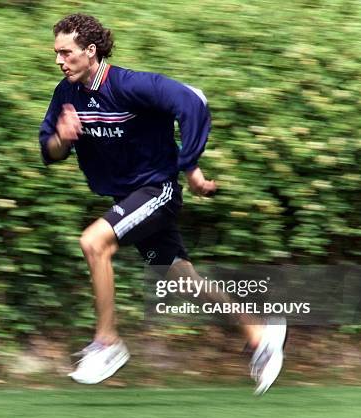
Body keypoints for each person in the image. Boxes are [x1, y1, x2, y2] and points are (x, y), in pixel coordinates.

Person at [39, 13, 286, 395]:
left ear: (90, 51)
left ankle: (108, 342)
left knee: (93, 242)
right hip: (128, 198)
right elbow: (50, 151)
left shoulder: (131, 85)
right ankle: (260, 332)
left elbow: (192, 102)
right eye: (56, 53)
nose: (59, 60)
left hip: (157, 191)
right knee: (183, 280)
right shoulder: (66, 94)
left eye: (66, 53)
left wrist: (190, 166)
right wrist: (62, 137)